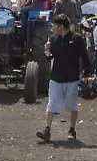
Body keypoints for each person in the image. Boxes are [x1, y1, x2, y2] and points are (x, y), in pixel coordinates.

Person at [37, 14, 93, 142]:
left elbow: (85, 57)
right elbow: (50, 57)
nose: (52, 28)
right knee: (51, 104)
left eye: (54, 26)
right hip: (56, 78)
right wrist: (47, 51)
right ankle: (47, 129)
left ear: (61, 26)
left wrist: (88, 73)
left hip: (72, 78)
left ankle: (72, 130)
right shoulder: (53, 39)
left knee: (72, 106)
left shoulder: (77, 39)